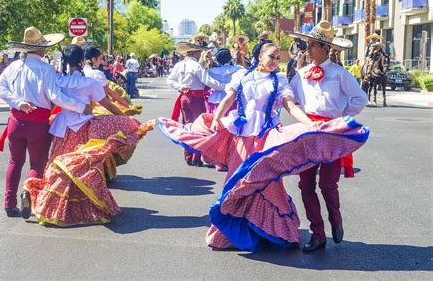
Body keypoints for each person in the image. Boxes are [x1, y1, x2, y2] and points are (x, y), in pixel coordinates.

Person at [157, 41, 370, 251]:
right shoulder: (242, 76)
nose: (275, 62)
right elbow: (229, 99)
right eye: (271, 57)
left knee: (270, 183)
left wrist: (312, 126)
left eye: (278, 58)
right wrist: (216, 119)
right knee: (239, 181)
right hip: (241, 136)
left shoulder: (280, 80)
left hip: (266, 136)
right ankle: (239, 232)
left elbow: (291, 107)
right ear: (260, 56)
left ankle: (287, 229)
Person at [24, 44, 152, 226]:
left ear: (67, 63)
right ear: (82, 61)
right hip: (82, 127)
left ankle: (51, 204)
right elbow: (106, 104)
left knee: (60, 165)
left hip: (61, 128)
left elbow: (52, 103)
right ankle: (80, 206)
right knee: (83, 167)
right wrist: (125, 117)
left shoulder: (58, 80)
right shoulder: (89, 83)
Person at [0, 26, 93, 218]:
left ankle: (9, 203)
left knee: (15, 162)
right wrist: (81, 107)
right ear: (39, 49)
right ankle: (28, 192)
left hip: (16, 120)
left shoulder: (14, 66)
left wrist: (17, 102)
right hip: (37, 122)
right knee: (37, 164)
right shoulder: (46, 69)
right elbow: (56, 97)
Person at [290, 21, 368, 252]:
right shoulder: (301, 74)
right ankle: (317, 234)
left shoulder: (340, 74)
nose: (308, 50)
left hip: (332, 133)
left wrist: (340, 119)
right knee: (305, 185)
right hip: (308, 133)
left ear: (325, 48)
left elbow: (359, 99)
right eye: (307, 45)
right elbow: (288, 98)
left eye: (312, 45)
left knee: (327, 183)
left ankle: (336, 219)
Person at [167, 40, 223, 166]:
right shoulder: (197, 66)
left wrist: (180, 87)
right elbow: (208, 81)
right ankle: (196, 156)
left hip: (184, 97)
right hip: (196, 99)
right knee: (198, 126)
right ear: (196, 52)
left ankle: (188, 155)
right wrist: (225, 87)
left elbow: (170, 80)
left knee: (187, 126)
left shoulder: (179, 65)